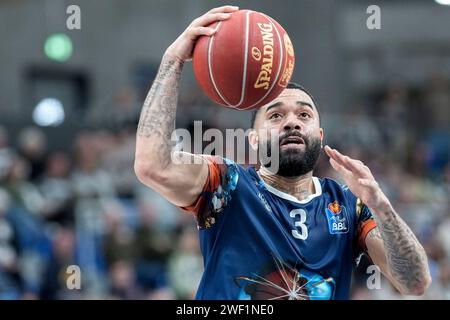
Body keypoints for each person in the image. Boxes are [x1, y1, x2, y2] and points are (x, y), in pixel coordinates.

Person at [134, 5, 431, 299]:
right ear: (252, 140)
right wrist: (173, 61)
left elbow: (415, 283)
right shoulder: (226, 184)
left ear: (320, 135)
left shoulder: (349, 206)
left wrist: (380, 204)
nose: (292, 122)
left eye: (304, 115)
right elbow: (153, 167)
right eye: (276, 116)